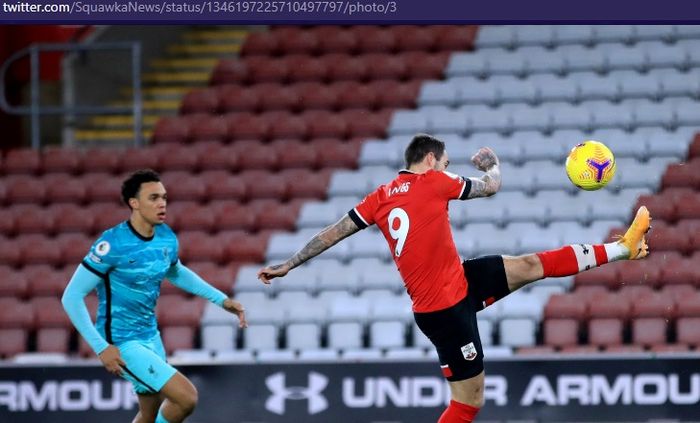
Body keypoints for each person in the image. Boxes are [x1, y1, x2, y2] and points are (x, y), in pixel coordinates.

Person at [257, 134, 651, 423]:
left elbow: (331, 232)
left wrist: (291, 263)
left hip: (458, 280)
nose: (447, 169)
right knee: (469, 402)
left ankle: (624, 249)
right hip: (443, 310)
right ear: (430, 160)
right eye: (445, 163)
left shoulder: (378, 198)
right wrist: (491, 163)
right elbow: (492, 187)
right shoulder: (434, 181)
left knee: (530, 265)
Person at [62, 169, 248, 423]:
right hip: (120, 341)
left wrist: (221, 300)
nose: (162, 203)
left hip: (150, 336)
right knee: (185, 398)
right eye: (153, 198)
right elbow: (71, 296)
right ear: (134, 203)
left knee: (149, 414)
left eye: (164, 197)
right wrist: (101, 347)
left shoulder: (165, 237)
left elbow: (176, 272)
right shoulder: (111, 244)